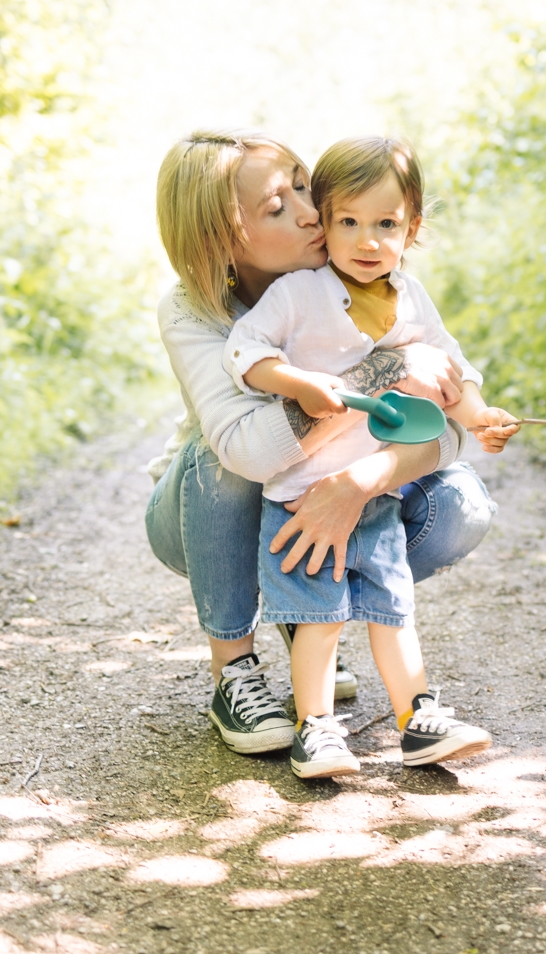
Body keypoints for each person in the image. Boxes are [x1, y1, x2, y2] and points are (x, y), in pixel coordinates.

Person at [144, 131, 498, 756]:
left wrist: (360, 483)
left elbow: (445, 426)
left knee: (460, 504)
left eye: (305, 186)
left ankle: (313, 609)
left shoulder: (365, 271)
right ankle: (234, 671)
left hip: (334, 486)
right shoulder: (191, 309)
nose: (312, 212)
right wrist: (384, 373)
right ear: (220, 239)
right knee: (220, 453)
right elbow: (247, 452)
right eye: (278, 207)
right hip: (205, 514)